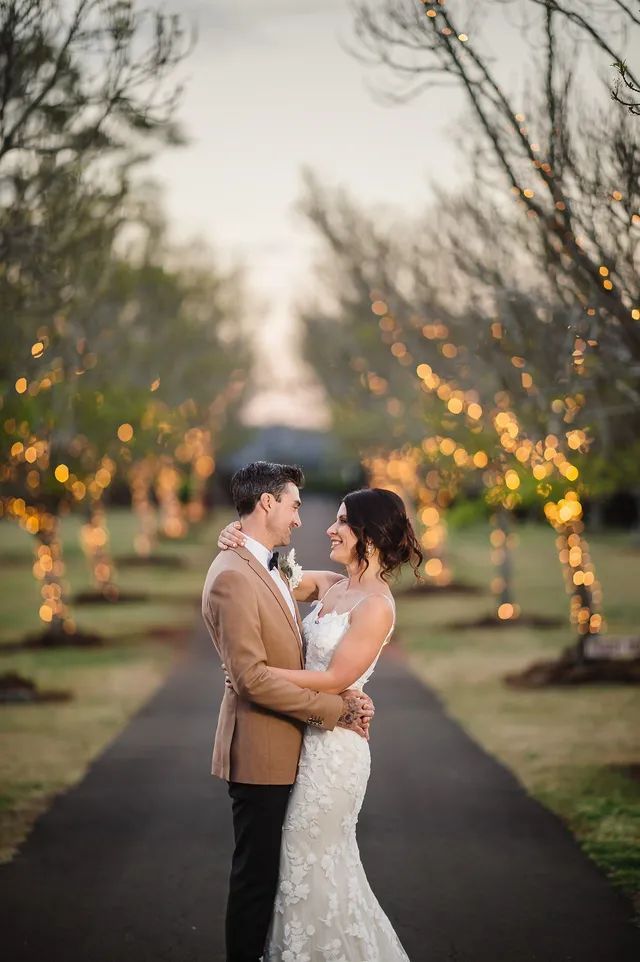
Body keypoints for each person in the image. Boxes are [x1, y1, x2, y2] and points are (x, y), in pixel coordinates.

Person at [217, 482, 423, 961]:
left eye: (342, 521)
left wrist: (256, 675)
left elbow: (333, 677)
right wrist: (239, 534)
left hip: (335, 753)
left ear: (367, 534)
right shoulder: (332, 586)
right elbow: (267, 580)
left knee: (313, 862)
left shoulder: (376, 606)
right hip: (305, 738)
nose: (329, 529)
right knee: (294, 868)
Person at [201, 461, 375, 962]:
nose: (301, 519)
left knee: (273, 876)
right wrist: (334, 708)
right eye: (296, 505)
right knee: (255, 880)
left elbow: (322, 592)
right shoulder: (232, 576)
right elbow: (252, 679)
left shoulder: (266, 564)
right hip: (259, 748)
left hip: (287, 747)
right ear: (268, 503)